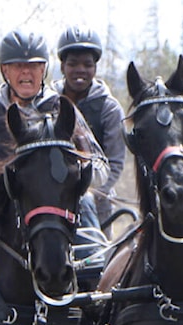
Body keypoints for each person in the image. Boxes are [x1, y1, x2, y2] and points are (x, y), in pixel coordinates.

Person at [0, 29, 109, 234]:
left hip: (57, 223)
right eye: (18, 66)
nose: (26, 72)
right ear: (4, 70)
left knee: (87, 212)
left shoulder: (63, 110)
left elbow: (101, 169)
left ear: (43, 69)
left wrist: (79, 169)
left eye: (33, 65)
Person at [53, 26, 127, 229]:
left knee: (97, 258)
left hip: (97, 204)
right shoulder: (49, 103)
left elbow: (115, 163)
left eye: (87, 64)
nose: (80, 70)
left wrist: (90, 193)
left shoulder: (109, 109)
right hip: (53, 203)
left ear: (95, 68)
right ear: (62, 67)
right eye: (73, 64)